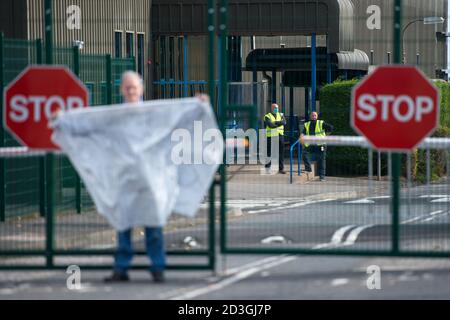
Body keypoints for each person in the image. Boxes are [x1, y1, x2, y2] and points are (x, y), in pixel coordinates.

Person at [104, 71, 166, 283]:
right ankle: (121, 268)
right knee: (123, 225)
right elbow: (90, 125)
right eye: (127, 87)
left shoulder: (151, 115)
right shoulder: (115, 116)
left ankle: (157, 267)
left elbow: (176, 118)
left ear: (141, 90)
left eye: (134, 87)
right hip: (125, 180)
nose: (131, 90)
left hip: (148, 180)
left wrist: (197, 105)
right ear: (122, 90)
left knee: (153, 225)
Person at [300, 111, 333, 181]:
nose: (314, 116)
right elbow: (303, 132)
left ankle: (322, 176)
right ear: (310, 116)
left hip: (320, 144)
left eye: (315, 115)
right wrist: (301, 136)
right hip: (311, 144)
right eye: (312, 115)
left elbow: (330, 127)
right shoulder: (307, 124)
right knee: (304, 154)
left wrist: (326, 135)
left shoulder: (321, 123)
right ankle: (308, 169)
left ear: (317, 116)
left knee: (321, 160)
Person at [264, 103, 286, 174]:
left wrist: (275, 122)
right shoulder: (267, 116)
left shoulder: (281, 115)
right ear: (271, 108)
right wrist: (279, 123)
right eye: (274, 108)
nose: (276, 109)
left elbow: (284, 122)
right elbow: (270, 125)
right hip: (271, 136)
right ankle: (268, 167)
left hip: (280, 136)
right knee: (269, 152)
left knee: (281, 153)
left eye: (277, 107)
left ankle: (281, 168)